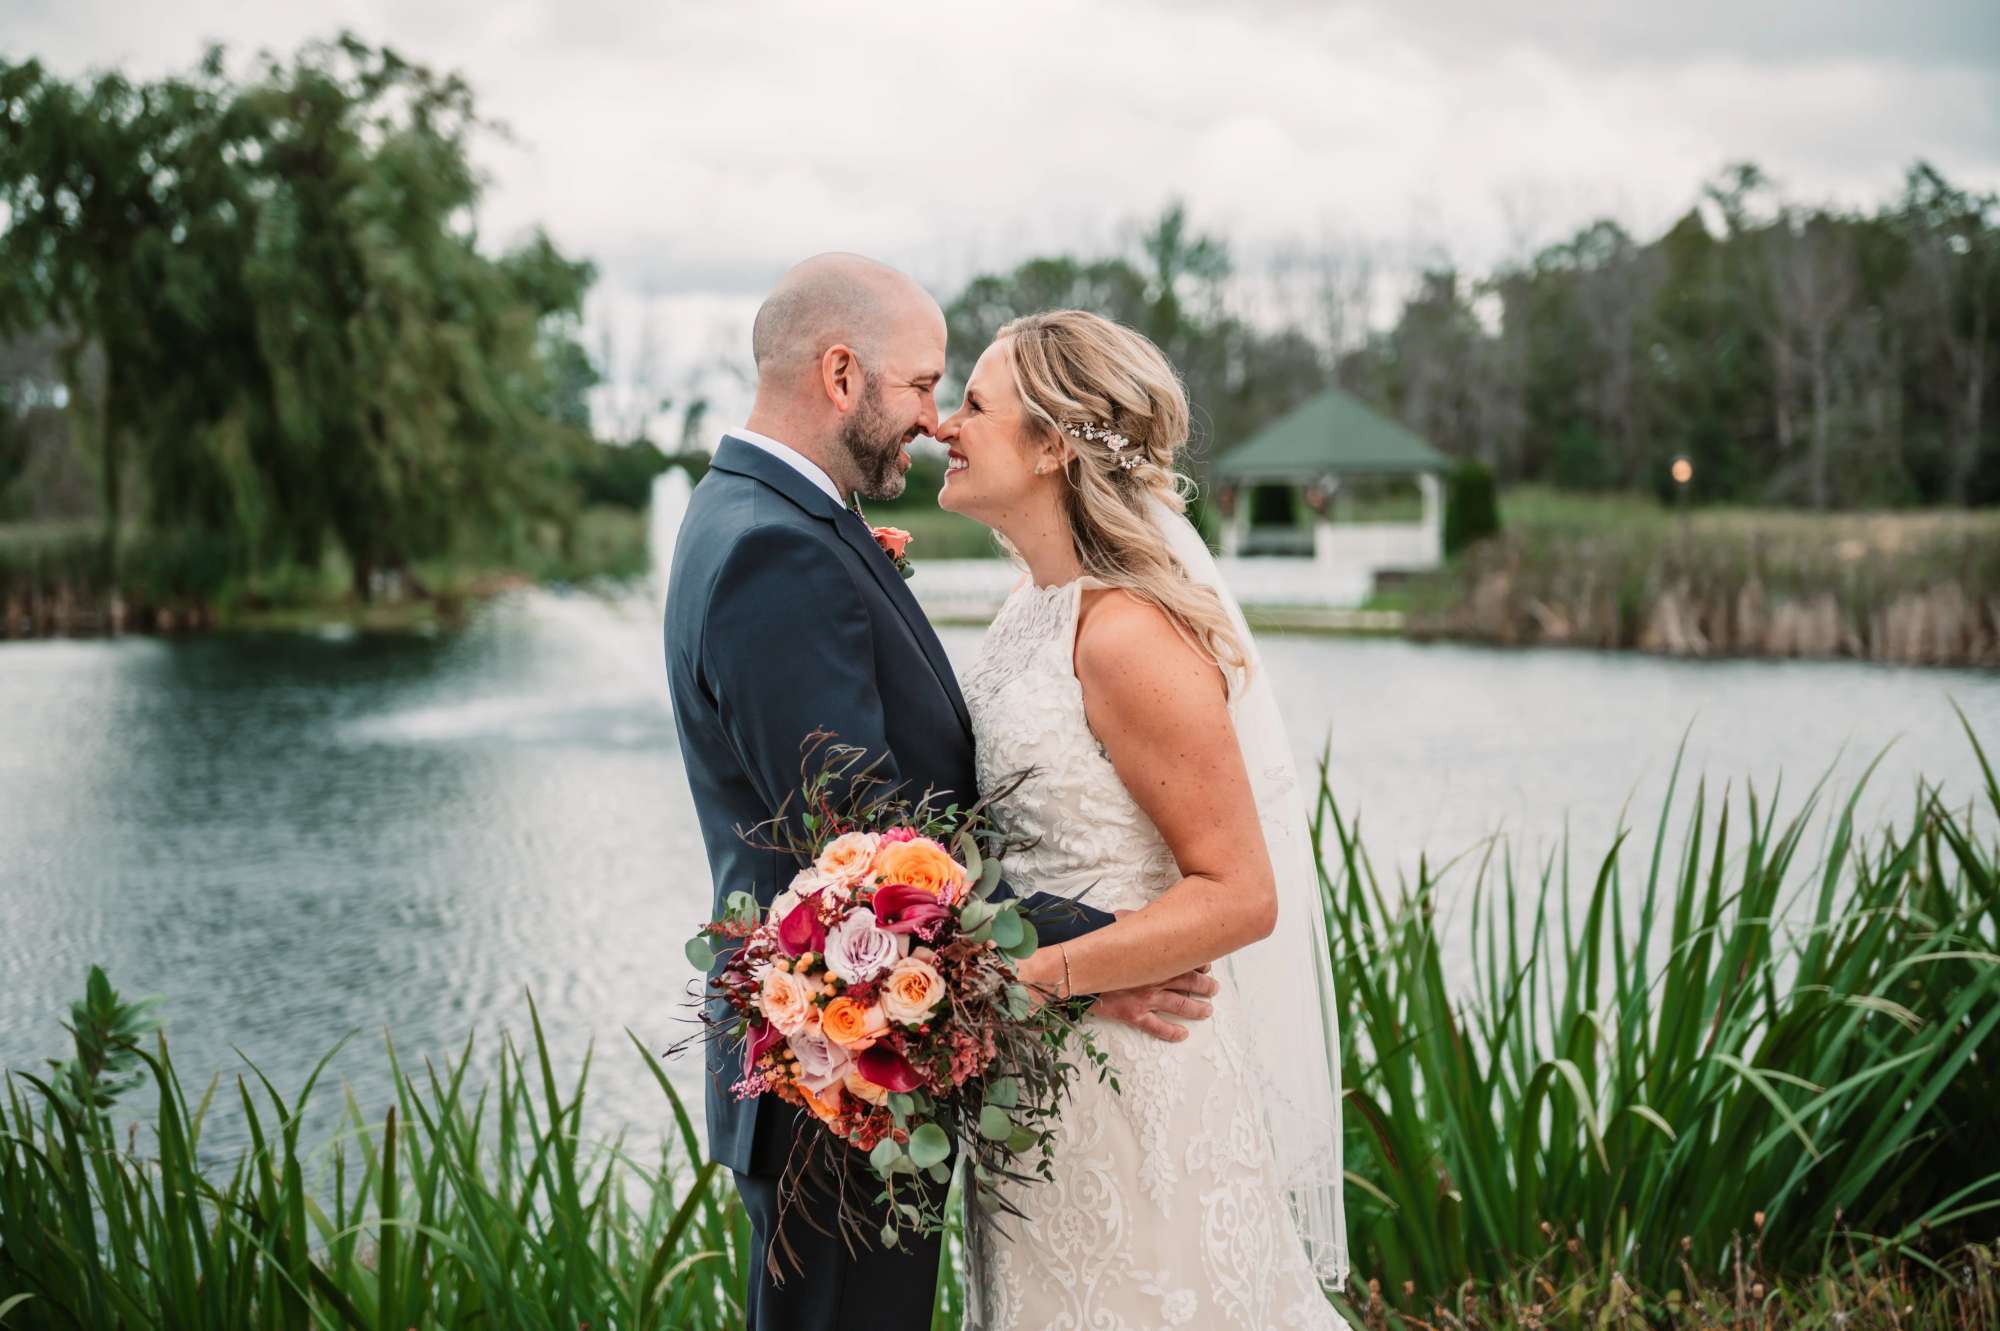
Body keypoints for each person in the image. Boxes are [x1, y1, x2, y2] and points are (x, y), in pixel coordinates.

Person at [662, 256, 1220, 1331]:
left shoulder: (765, 517)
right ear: (838, 374)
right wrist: (1084, 960)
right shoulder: (775, 548)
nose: (931, 421)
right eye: (922, 386)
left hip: (866, 1062)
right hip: (834, 1087)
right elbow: (865, 845)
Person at [935, 308, 1351, 1329]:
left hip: (1132, 1080)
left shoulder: (1125, 633)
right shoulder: (1026, 608)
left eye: (974, 406)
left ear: (1050, 444)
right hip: (1042, 1087)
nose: (944, 425)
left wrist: (1022, 982)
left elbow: (1240, 892)